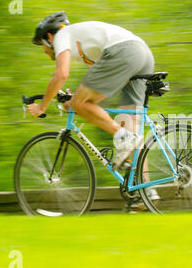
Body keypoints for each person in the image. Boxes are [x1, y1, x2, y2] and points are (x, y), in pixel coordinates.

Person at [28, 11, 160, 206]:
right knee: (129, 124)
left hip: (123, 51)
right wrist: (76, 100)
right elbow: (101, 80)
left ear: (49, 37)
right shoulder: (82, 42)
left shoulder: (62, 36)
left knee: (121, 132)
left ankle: (124, 137)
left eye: (43, 46)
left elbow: (61, 74)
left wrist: (42, 106)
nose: (45, 51)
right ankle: (146, 192)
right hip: (142, 53)